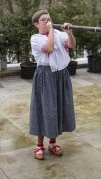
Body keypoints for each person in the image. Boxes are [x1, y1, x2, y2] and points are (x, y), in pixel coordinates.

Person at [29, 9, 76, 160]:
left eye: (49, 19)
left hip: (61, 75)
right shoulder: (35, 38)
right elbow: (49, 49)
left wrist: (69, 33)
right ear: (36, 24)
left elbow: (72, 45)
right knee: (45, 109)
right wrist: (51, 31)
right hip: (45, 75)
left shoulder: (58, 34)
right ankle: (39, 144)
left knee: (59, 107)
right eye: (43, 20)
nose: (48, 22)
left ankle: (53, 142)